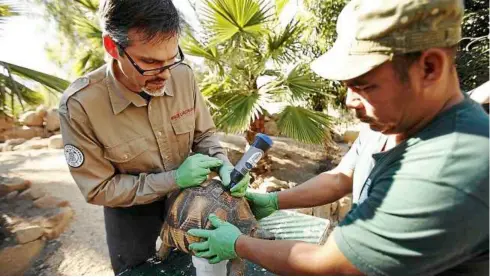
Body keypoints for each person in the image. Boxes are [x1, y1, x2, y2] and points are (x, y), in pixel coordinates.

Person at [187, 0, 489, 275]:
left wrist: (239, 244)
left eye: (363, 85)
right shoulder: (392, 120)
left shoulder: (450, 165)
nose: (349, 101)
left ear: (429, 67)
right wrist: (273, 200)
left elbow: (334, 266)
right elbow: (341, 177)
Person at [58, 0, 248, 274]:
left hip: (192, 199)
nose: (166, 74)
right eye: (150, 62)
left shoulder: (182, 76)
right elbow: (99, 188)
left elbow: (204, 135)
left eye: (172, 59)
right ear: (113, 47)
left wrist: (223, 163)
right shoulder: (80, 106)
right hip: (130, 213)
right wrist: (173, 179)